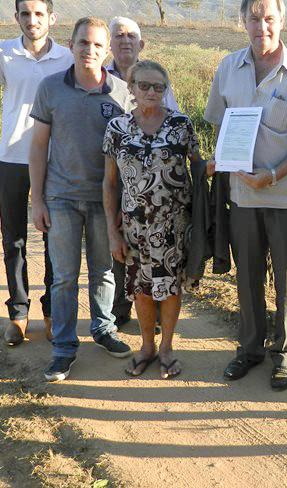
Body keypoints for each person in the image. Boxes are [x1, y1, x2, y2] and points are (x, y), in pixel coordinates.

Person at [204, 0, 287, 390]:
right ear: (243, 21)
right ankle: (250, 349)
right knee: (248, 276)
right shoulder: (228, 67)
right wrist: (222, 161)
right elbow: (220, 125)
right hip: (242, 196)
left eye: (269, 19)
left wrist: (273, 174)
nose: (262, 27)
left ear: (281, 21)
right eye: (254, 19)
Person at [30, 17, 133, 382]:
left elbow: (130, 153)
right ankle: (63, 348)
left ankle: (103, 329)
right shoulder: (50, 88)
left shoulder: (122, 93)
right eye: (83, 43)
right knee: (64, 277)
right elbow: (38, 147)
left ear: (107, 51)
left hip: (105, 200)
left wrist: (125, 204)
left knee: (104, 270)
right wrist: (37, 200)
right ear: (71, 45)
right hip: (61, 197)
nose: (90, 50)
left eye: (97, 45)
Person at [0, 0, 73, 346]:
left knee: (54, 240)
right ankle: (18, 313)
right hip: (12, 158)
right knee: (14, 238)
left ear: (52, 18)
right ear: (16, 17)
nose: (32, 20)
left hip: (54, 160)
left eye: (38, 14)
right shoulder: (1, 52)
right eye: (25, 13)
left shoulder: (67, 58)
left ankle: (51, 312)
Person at [103, 60, 199, 378]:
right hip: (134, 227)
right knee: (141, 289)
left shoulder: (181, 125)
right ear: (131, 88)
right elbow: (110, 183)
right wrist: (112, 232)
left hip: (174, 226)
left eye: (159, 87)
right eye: (144, 85)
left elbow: (199, 167)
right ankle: (147, 347)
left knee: (171, 287)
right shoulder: (117, 128)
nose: (151, 92)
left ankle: (167, 348)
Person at [106, 16, 179, 327]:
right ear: (109, 43)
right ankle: (119, 310)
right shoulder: (100, 77)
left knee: (160, 255)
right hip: (120, 179)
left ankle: (157, 316)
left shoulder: (157, 79)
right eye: (119, 35)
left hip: (159, 190)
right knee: (123, 251)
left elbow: (176, 134)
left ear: (141, 43)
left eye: (131, 36)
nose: (125, 41)